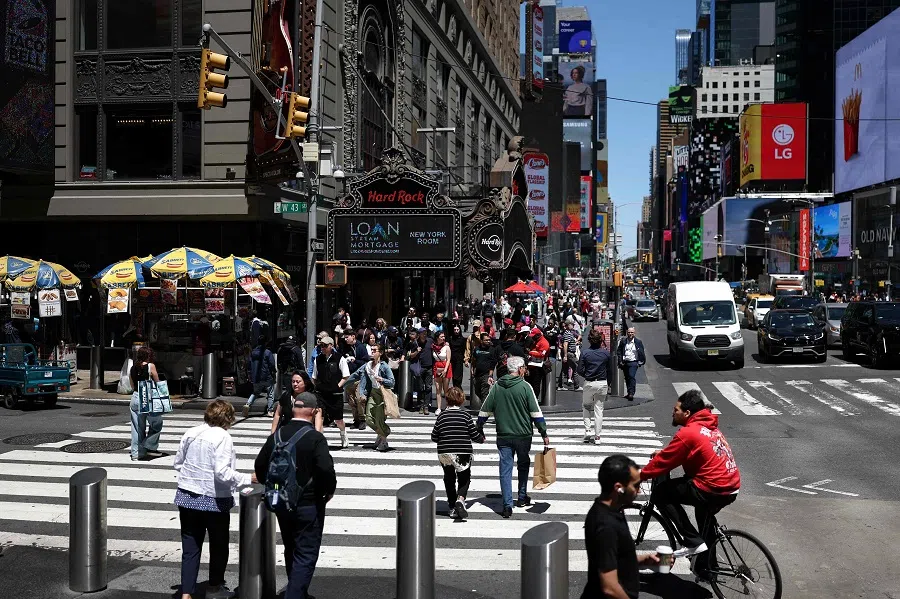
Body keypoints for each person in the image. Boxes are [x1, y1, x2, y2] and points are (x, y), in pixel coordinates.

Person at [640, 389, 740, 577]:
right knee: (705, 521)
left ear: (687, 413)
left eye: (676, 409)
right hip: (730, 487)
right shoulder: (709, 427)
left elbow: (664, 463)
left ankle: (692, 542)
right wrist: (664, 454)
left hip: (712, 488)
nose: (673, 412)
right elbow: (685, 451)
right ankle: (707, 568)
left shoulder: (688, 432)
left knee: (661, 493)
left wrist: (639, 477)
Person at [254, 392, 337, 599]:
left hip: (282, 501)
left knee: (291, 547)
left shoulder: (278, 435)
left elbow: (260, 465)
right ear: (314, 411)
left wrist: (272, 486)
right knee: (306, 553)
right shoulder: (315, 438)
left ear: (293, 409)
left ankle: (298, 591)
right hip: (308, 502)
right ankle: (295, 594)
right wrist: (328, 491)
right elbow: (326, 469)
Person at [173, 400, 251, 599]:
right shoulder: (222, 436)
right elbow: (222, 473)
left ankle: (187, 592)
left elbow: (178, 463)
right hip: (213, 499)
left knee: (190, 547)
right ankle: (214, 587)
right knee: (218, 544)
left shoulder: (191, 432)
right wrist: (247, 479)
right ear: (227, 418)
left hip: (187, 496)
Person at [476, 356, 550, 518]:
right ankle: (522, 496)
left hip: (503, 434)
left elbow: (485, 410)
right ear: (519, 369)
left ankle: (507, 505)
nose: (525, 370)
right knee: (523, 464)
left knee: (505, 468)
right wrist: (543, 432)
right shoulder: (525, 387)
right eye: (524, 367)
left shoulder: (497, 387)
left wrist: (479, 427)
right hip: (523, 434)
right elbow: (536, 413)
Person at [581, 455, 661, 599]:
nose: (639, 491)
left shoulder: (613, 510)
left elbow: (613, 559)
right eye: (635, 486)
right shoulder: (605, 525)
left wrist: (644, 560)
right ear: (619, 488)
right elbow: (610, 587)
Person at [431, 386, 485, 520]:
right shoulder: (465, 416)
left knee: (449, 478)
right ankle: (460, 499)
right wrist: (481, 439)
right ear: (461, 400)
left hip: (445, 452)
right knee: (464, 477)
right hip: (463, 453)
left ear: (447, 400)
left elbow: (434, 436)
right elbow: (474, 435)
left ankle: (451, 506)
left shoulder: (442, 416)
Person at [340, 343, 395, 451]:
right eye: (372, 350)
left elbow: (392, 382)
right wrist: (341, 386)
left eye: (375, 350)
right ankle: (384, 432)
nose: (372, 352)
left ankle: (383, 441)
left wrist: (382, 379)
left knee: (379, 419)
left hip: (382, 394)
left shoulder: (384, 366)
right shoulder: (367, 366)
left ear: (381, 353)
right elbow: (355, 375)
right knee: (369, 419)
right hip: (373, 393)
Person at [311, 336, 350, 447]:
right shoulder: (317, 359)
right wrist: (318, 386)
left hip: (335, 394)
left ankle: (343, 433)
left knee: (338, 420)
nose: (322, 348)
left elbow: (346, 375)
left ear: (331, 346)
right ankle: (319, 441)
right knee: (320, 417)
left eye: (325, 345)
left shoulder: (339, 358)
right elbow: (314, 376)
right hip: (321, 393)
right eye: (321, 346)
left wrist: (337, 386)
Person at [128, 346, 164, 461]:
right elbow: (157, 382)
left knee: (137, 427)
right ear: (149, 356)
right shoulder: (150, 366)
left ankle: (136, 454)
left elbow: (132, 386)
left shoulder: (132, 368)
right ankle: (149, 446)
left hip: (135, 397)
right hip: (147, 398)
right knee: (157, 424)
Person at [577, 329, 612, 444]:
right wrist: (609, 383)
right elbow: (610, 370)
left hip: (590, 382)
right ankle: (597, 436)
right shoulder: (606, 353)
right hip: (602, 383)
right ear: (601, 341)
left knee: (586, 406)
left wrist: (587, 374)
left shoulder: (585, 353)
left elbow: (580, 370)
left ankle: (587, 430)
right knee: (599, 409)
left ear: (590, 341)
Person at [341, 331, 370, 431]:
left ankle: (362, 419)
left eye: (347, 337)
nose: (345, 339)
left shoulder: (361, 347)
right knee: (351, 400)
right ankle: (356, 420)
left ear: (353, 337)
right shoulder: (344, 347)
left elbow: (366, 362)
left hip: (359, 378)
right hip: (349, 378)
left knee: (359, 399)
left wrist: (355, 360)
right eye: (344, 337)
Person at [243, 337, 277, 417]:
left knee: (255, 393)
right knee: (270, 394)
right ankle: (270, 410)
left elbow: (249, 364)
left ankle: (248, 404)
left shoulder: (253, 353)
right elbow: (271, 364)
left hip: (256, 378)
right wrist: (274, 372)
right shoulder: (268, 352)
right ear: (265, 343)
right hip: (267, 377)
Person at [616, 327, 646, 401]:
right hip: (625, 362)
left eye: (632, 332)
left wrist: (640, 362)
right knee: (627, 378)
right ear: (627, 333)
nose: (630, 334)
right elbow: (619, 351)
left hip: (633, 362)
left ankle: (631, 393)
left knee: (631, 376)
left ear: (634, 333)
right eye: (629, 332)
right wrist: (620, 361)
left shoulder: (638, 342)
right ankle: (629, 392)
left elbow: (642, 352)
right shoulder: (623, 341)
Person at [470, 332, 497, 406]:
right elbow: (474, 360)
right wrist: (472, 369)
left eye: (489, 340)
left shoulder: (492, 350)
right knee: (477, 391)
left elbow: (493, 364)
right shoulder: (477, 349)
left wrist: (490, 375)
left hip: (486, 374)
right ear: (481, 341)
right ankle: (488, 406)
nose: (488, 341)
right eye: (486, 340)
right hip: (477, 374)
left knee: (484, 392)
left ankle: (484, 410)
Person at [526, 326, 550, 400]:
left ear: (538, 335)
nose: (532, 337)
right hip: (531, 364)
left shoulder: (544, 343)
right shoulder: (536, 341)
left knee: (536, 384)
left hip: (538, 366)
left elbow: (542, 354)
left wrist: (530, 352)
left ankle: (534, 399)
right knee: (529, 383)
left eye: (534, 336)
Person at [432, 331, 452, 415]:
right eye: (441, 336)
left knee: (446, 388)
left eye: (444, 336)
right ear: (437, 338)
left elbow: (448, 359)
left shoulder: (447, 347)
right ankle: (439, 408)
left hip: (445, 367)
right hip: (437, 366)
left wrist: (445, 370)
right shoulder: (433, 346)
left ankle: (447, 406)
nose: (443, 338)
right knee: (437, 388)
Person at [447, 324, 467, 390]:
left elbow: (465, 349)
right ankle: (455, 391)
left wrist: (465, 359)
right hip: (451, 360)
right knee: (453, 377)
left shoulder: (463, 340)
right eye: (455, 330)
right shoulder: (450, 339)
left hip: (459, 360)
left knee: (458, 378)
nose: (456, 331)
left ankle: (458, 391)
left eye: (457, 330)